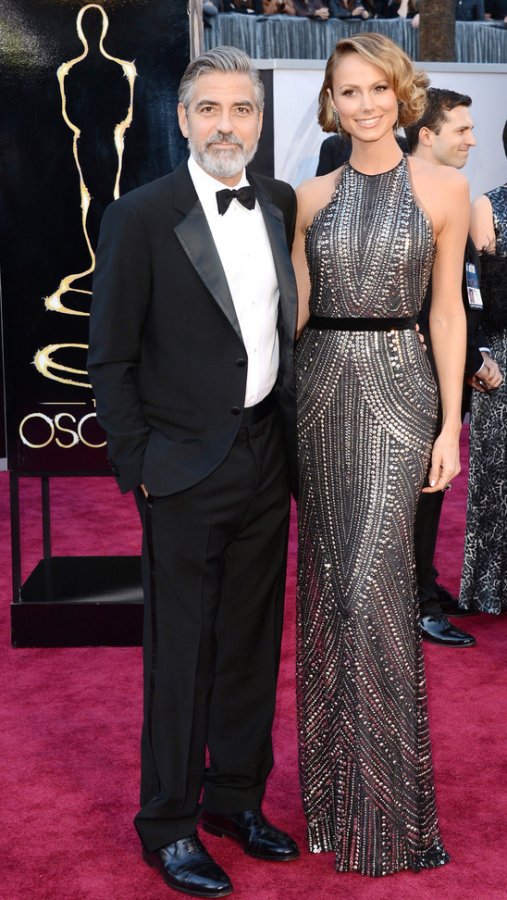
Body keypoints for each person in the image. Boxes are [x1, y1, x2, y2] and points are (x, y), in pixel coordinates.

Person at [88, 46, 299, 899]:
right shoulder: (139, 215)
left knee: (250, 642)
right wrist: (140, 464)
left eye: (240, 109)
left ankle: (233, 800)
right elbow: (109, 357)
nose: (224, 124)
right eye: (208, 108)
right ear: (181, 119)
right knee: (180, 653)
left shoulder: (278, 201)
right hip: (179, 469)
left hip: (264, 455)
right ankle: (169, 825)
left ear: (259, 120)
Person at [292, 33, 468, 875]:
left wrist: (449, 426)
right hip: (319, 395)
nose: (363, 104)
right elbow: (293, 314)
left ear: (400, 94)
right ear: (331, 102)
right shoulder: (306, 197)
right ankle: (334, 802)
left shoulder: (444, 188)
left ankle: (389, 814)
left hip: (401, 394)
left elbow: (446, 313)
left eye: (375, 89)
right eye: (347, 91)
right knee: (331, 591)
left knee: (375, 588)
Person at [405, 89, 503, 646]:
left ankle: (423, 584)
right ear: (426, 135)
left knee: (433, 485)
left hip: (449, 370)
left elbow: (466, 292)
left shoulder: (449, 190)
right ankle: (416, 602)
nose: (472, 140)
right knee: (418, 489)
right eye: (461, 130)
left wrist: (477, 352)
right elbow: (425, 303)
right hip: (411, 375)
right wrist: (468, 358)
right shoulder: (408, 196)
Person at [460, 123, 507, 614]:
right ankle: (493, 586)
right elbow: (481, 296)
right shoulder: (487, 206)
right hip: (502, 357)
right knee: (497, 474)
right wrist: (481, 354)